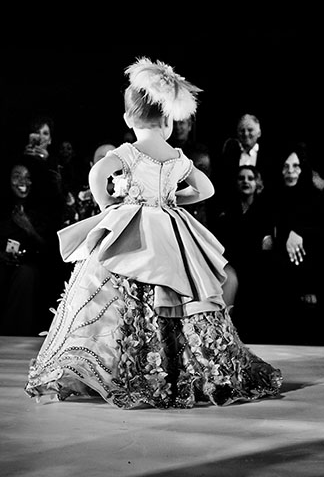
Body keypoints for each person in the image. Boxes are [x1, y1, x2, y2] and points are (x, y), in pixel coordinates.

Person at [24, 57, 282, 408]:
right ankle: (176, 367)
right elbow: (206, 189)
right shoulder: (176, 155)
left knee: (116, 291)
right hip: (170, 228)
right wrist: (175, 197)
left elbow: (97, 174)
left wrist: (107, 207)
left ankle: (124, 364)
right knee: (178, 291)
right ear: (168, 120)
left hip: (132, 225)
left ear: (129, 119)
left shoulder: (128, 152)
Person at [265, 142, 324, 345]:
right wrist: (266, 237)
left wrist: (299, 232)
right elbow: (259, 224)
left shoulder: (315, 197)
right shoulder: (273, 195)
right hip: (280, 266)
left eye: (295, 166)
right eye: (286, 166)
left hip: (310, 270)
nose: (290, 171)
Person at [0, 160, 65, 335]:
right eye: (17, 176)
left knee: (27, 274)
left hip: (31, 266)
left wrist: (28, 227)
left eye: (27, 178)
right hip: (4, 264)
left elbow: (49, 249)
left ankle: (16, 336)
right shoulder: (3, 208)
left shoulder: (40, 209)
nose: (23, 182)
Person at [212, 165, 274, 342]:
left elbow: (267, 244)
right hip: (231, 261)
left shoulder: (265, 209)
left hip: (256, 262)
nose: (245, 181)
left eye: (250, 178)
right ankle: (222, 336)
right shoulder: (227, 210)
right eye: (241, 178)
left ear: (257, 183)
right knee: (229, 278)